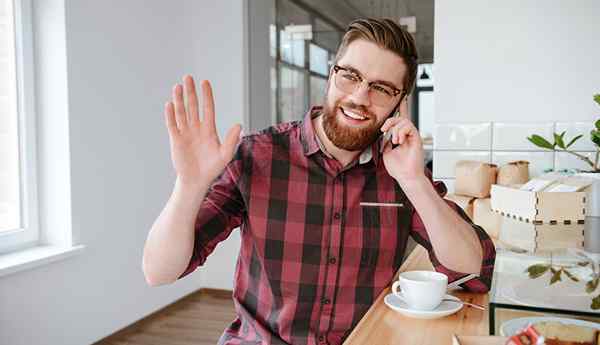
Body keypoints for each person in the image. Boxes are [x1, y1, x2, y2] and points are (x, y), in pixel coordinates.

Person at [143, 18, 496, 345]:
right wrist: (189, 185)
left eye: (382, 88)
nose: (360, 97)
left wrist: (415, 181)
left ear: (399, 103)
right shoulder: (257, 156)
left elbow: (471, 271)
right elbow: (159, 271)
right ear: (332, 74)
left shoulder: (401, 172)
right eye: (350, 76)